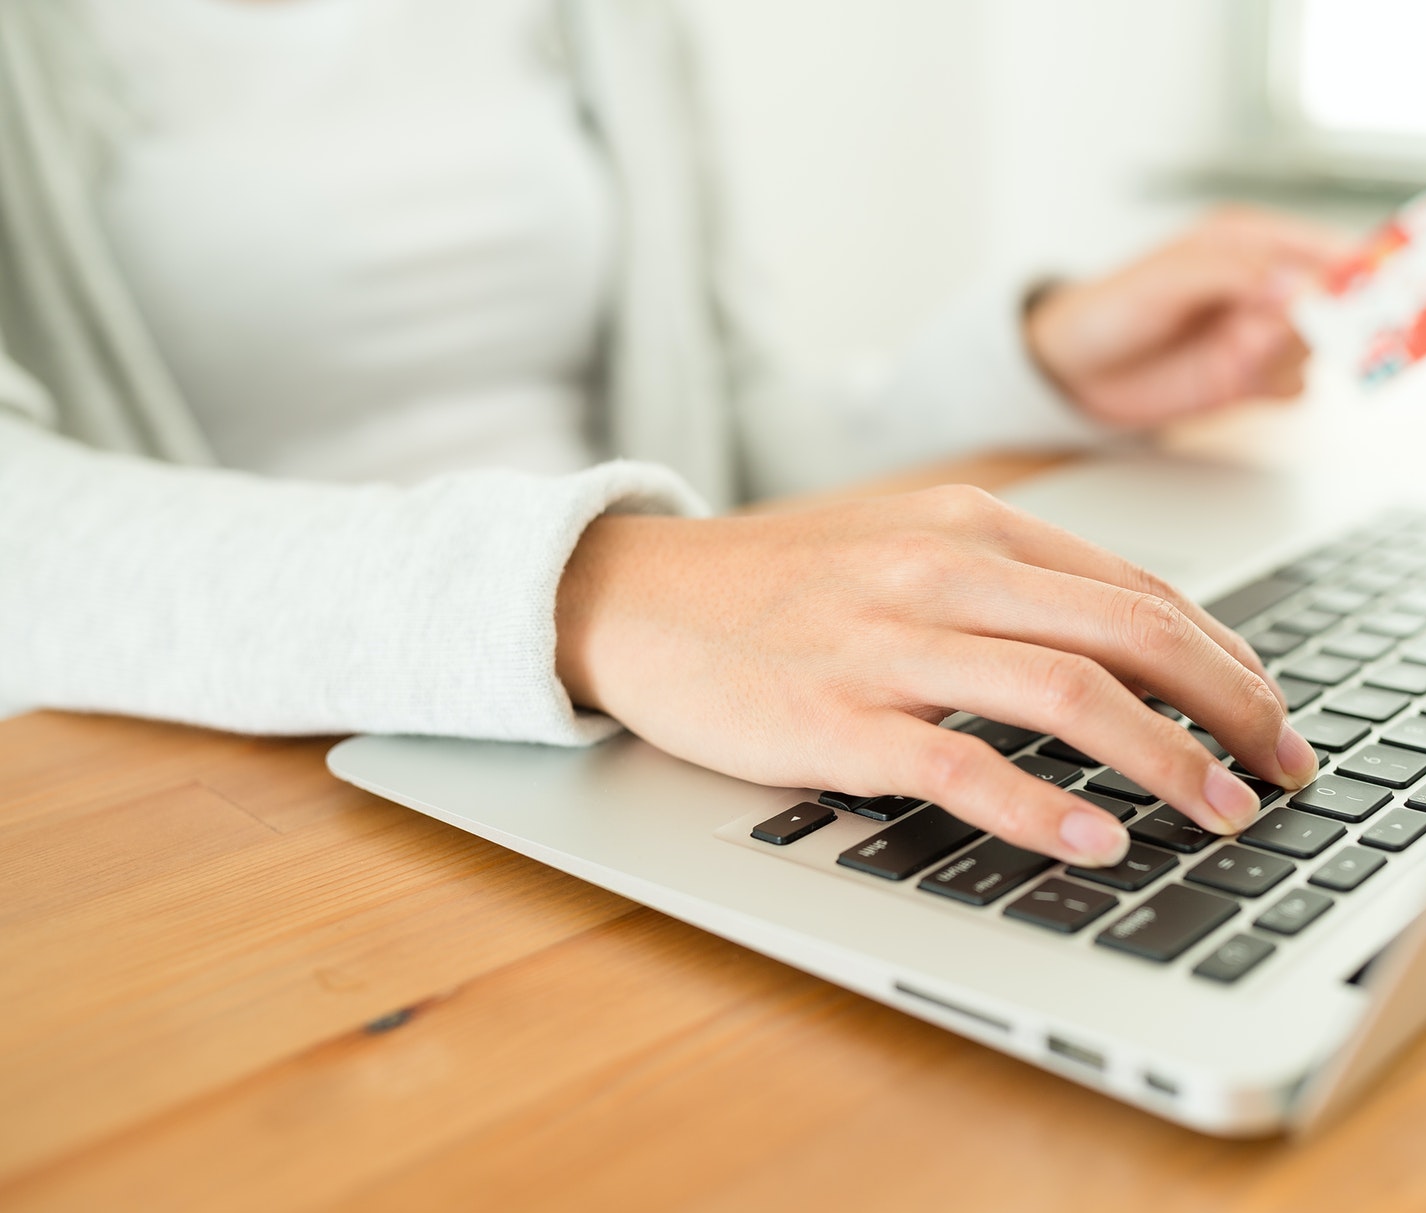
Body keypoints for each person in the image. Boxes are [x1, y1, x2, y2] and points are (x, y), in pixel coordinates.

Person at [0, 0, 1337, 870]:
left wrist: (1032, 369)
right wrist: (586, 587)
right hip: (223, 803)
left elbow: (732, 416)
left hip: (641, 736)